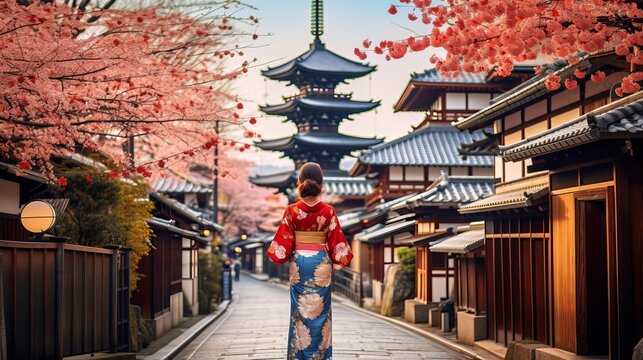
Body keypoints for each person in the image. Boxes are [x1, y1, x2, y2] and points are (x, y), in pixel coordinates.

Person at [266, 162, 353, 360]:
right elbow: (337, 243)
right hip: (321, 262)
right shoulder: (328, 211)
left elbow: (283, 244)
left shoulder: (292, 211)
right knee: (321, 310)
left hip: (299, 263)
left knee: (299, 311)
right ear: (321, 183)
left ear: (299, 182)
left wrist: (282, 254)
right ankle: (320, 355)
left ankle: (299, 355)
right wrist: (340, 258)